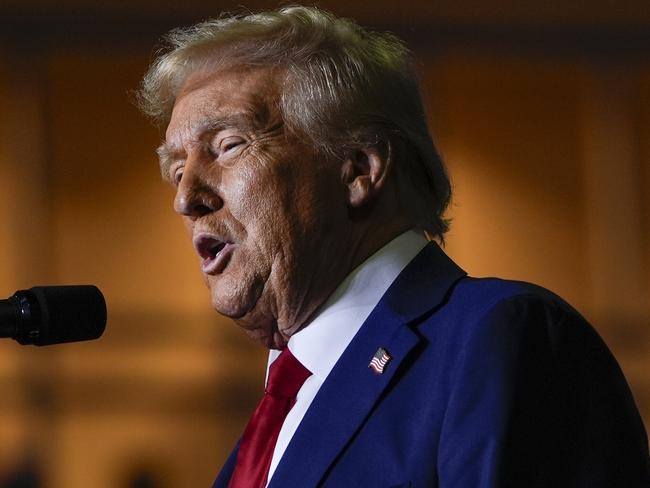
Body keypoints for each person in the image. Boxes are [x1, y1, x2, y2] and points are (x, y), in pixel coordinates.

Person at [137, 6, 650, 487]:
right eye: (177, 169)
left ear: (359, 168)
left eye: (228, 146)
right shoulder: (275, 416)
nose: (186, 199)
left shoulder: (499, 338)